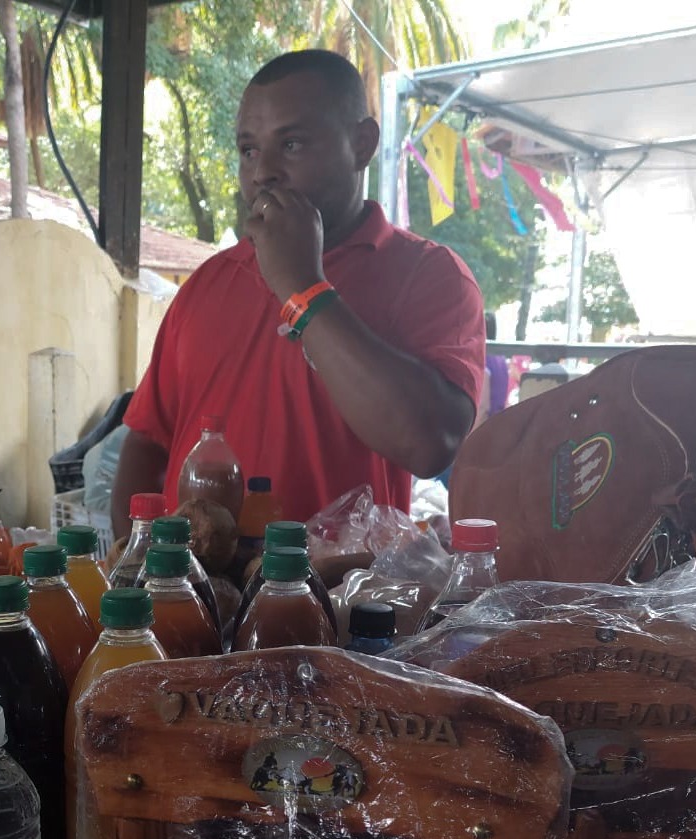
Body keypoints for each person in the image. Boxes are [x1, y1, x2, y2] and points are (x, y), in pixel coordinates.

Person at [111, 49, 485, 532]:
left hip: (343, 599)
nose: (262, 171)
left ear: (362, 144)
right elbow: (148, 443)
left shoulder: (432, 276)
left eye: (291, 145)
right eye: (249, 150)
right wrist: (137, 565)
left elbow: (431, 444)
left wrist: (302, 287)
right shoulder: (207, 284)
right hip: (197, 598)